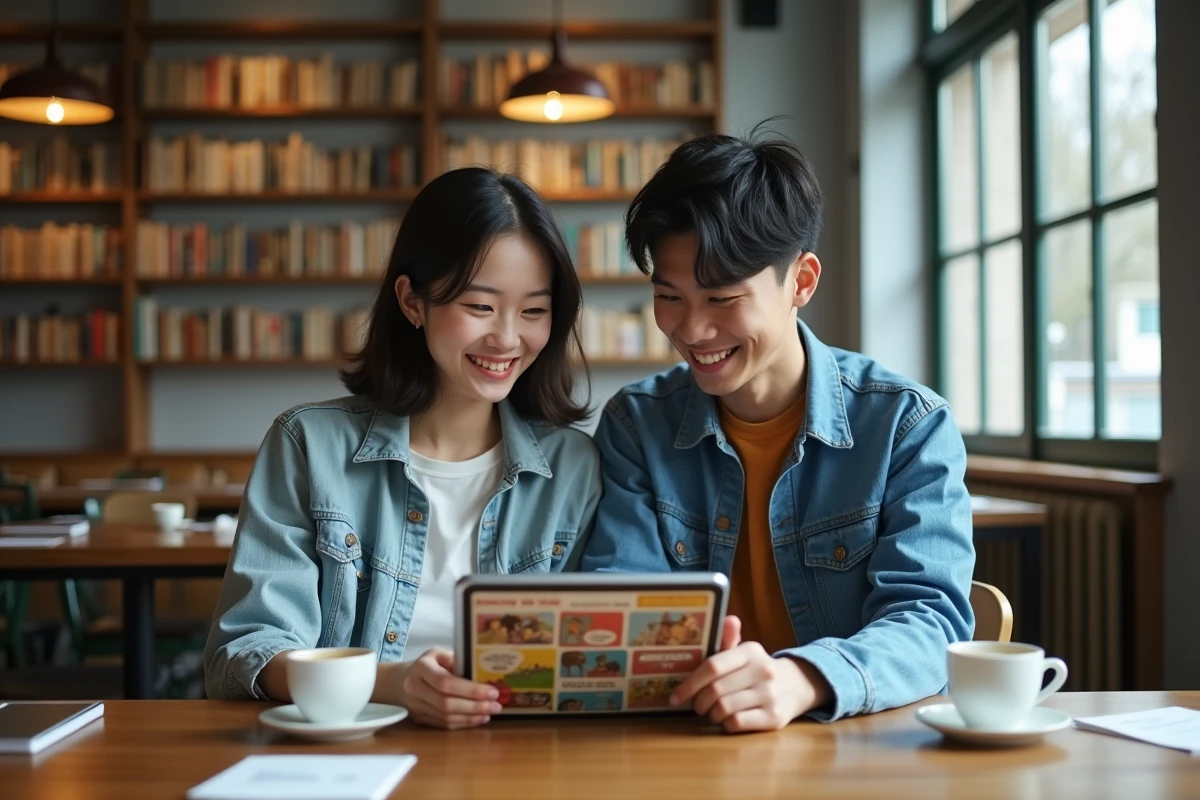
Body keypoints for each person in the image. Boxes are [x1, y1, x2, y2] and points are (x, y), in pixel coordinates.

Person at [580, 126, 976, 732]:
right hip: (685, 739)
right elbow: (621, 605)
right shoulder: (637, 424)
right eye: (669, 296)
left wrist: (803, 679)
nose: (691, 329)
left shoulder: (906, 425)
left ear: (803, 281)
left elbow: (931, 620)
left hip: (849, 744)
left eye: (721, 298)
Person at [204, 167, 601, 730]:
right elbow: (245, 652)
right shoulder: (307, 446)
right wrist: (385, 682)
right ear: (413, 301)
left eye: (533, 310)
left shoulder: (572, 468)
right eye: (480, 307)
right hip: (349, 752)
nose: (508, 338)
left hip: (520, 756)